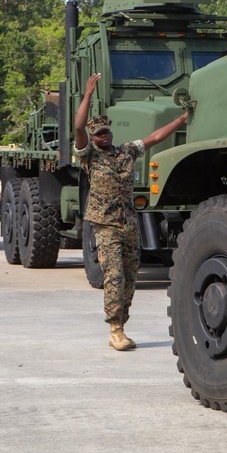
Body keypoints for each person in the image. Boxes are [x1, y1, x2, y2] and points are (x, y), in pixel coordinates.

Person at [75, 73, 189, 351]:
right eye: (98, 134)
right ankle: (115, 329)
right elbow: (78, 127)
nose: (104, 136)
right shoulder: (90, 156)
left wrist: (182, 120)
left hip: (129, 224)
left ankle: (122, 323)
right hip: (105, 225)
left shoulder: (126, 151)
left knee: (129, 276)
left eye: (106, 132)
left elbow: (154, 137)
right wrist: (88, 94)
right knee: (113, 275)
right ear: (93, 138)